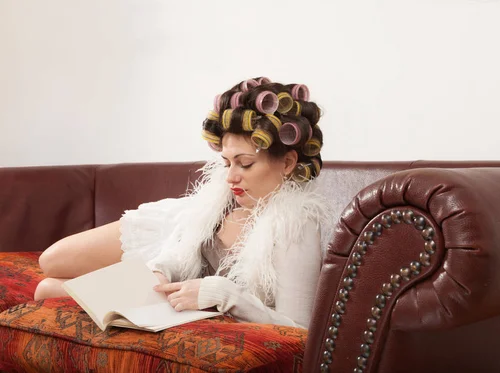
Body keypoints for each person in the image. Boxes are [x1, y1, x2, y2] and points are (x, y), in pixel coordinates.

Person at [34, 77, 329, 328]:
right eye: (226, 163)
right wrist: (161, 269)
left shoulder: (296, 224)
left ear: (288, 162)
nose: (231, 177)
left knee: (47, 290)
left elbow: (299, 330)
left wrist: (224, 294)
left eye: (246, 164)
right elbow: (182, 250)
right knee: (49, 262)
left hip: (185, 303)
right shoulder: (218, 201)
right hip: (172, 226)